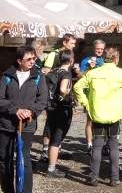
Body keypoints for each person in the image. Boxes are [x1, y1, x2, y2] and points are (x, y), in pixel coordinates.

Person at [73, 47, 122, 187]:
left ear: (104, 58)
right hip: (115, 113)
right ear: (116, 59)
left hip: (97, 112)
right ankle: (114, 178)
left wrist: (86, 103)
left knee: (97, 144)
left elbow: (77, 87)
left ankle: (93, 177)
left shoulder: (94, 72)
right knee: (113, 144)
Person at [0, 46, 48, 193]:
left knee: (24, 158)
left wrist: (31, 111)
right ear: (19, 60)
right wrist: (15, 110)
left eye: (34, 58)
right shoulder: (7, 76)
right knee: (5, 159)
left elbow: (42, 99)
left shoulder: (38, 77)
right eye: (29, 59)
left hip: (27, 124)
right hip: (6, 124)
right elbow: (0, 98)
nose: (32, 61)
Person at [40, 32, 77, 162]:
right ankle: (45, 151)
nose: (74, 46)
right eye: (72, 43)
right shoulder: (53, 55)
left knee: (57, 127)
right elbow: (45, 71)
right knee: (50, 124)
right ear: (64, 43)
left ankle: (55, 150)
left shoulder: (69, 56)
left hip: (60, 93)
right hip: (54, 95)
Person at [43, 49, 74, 179]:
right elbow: (62, 89)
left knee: (52, 136)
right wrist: (68, 99)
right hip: (62, 109)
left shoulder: (52, 72)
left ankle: (50, 162)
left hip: (51, 108)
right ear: (71, 61)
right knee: (56, 139)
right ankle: (51, 169)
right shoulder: (66, 74)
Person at [77, 39, 107, 155]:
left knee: (105, 120)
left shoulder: (105, 60)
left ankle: (104, 144)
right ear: (93, 48)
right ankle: (89, 144)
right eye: (97, 49)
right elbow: (79, 76)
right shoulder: (86, 60)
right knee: (90, 120)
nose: (99, 51)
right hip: (90, 92)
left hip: (104, 92)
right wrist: (89, 69)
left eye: (101, 49)